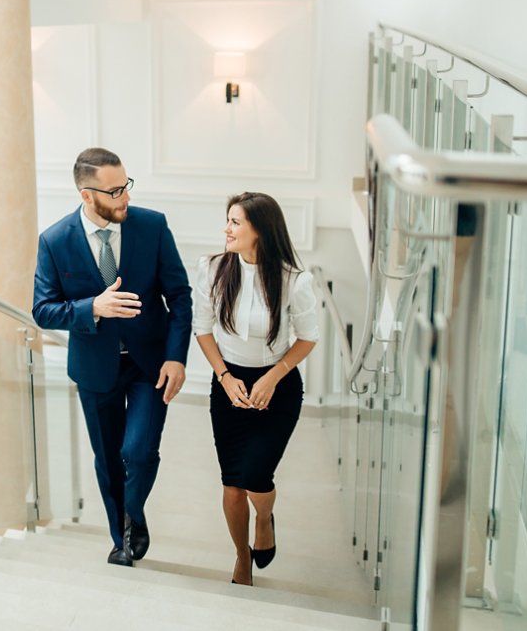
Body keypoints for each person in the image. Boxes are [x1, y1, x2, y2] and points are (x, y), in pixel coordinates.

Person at [32, 148, 192, 567]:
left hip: (149, 364)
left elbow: (180, 296)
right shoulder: (54, 241)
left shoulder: (152, 227)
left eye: (127, 185)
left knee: (137, 452)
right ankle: (121, 536)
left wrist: (177, 357)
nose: (125, 197)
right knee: (108, 459)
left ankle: (132, 515)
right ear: (87, 195)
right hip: (95, 369)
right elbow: (43, 309)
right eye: (115, 190)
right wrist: (92, 309)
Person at [192, 192, 318, 585]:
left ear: (259, 230)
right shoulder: (212, 269)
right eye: (227, 220)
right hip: (228, 385)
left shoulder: (294, 279)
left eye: (235, 222)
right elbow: (203, 328)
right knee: (232, 486)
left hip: (276, 387)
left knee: (257, 477)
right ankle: (241, 557)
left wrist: (271, 377)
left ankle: (264, 518)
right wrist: (226, 378)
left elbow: (308, 337)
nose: (226, 230)